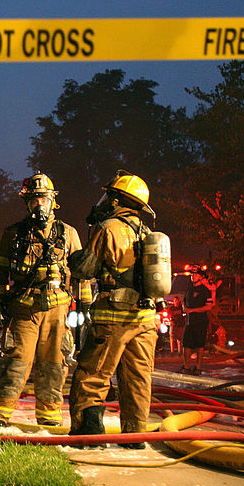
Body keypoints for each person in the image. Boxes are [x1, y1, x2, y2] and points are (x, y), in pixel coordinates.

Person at [67, 172, 160, 447]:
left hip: (112, 316)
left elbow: (86, 269)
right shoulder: (147, 233)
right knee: (137, 379)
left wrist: (76, 254)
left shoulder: (108, 228)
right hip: (145, 319)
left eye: (111, 196)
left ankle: (89, 433)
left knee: (92, 374)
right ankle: (135, 437)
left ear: (117, 200)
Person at [0, 173, 82, 427]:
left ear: (52, 201)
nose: (38, 204)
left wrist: (86, 307)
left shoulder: (68, 233)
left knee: (54, 363)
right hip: (24, 306)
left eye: (42, 199)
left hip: (58, 308)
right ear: (27, 203)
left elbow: (81, 274)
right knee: (15, 360)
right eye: (33, 200)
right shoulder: (14, 234)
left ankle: (49, 416)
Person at [181, 269, 214, 375]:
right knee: (186, 344)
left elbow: (208, 307)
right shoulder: (189, 289)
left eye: (196, 274)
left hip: (201, 321)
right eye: (192, 274)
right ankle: (186, 367)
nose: (193, 276)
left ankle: (198, 368)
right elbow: (184, 301)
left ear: (201, 276)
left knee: (200, 345)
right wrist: (184, 308)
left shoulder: (205, 290)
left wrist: (192, 310)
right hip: (189, 321)